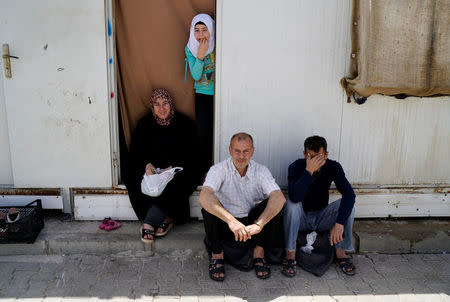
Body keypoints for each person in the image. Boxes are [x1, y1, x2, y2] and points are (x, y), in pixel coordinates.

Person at [199, 132, 286, 281]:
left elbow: (279, 198)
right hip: (227, 224)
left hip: (251, 225)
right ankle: (217, 255)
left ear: (252, 151)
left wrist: (259, 224)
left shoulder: (261, 170)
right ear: (230, 150)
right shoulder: (218, 169)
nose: (241, 156)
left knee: (275, 205)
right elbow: (204, 196)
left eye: (246, 151)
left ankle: (259, 253)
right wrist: (231, 221)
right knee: (208, 208)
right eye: (237, 151)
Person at [125, 88, 201, 243]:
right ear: (152, 107)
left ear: (171, 104)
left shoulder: (184, 123)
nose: (161, 108)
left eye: (165, 103)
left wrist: (172, 167)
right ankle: (165, 216)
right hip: (152, 169)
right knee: (129, 173)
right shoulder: (144, 124)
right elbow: (136, 152)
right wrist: (147, 165)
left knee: (185, 176)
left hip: (177, 169)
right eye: (157, 104)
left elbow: (193, 154)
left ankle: (152, 220)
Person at [282, 135, 356, 277]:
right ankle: (290, 254)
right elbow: (295, 196)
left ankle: (341, 253)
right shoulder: (296, 166)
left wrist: (339, 222)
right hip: (301, 218)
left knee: (348, 206)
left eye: (319, 157)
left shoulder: (333, 167)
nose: (315, 161)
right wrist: (308, 171)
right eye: (311, 157)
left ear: (326, 155)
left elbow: (349, 194)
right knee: (291, 205)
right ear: (304, 154)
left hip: (321, 216)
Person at [185, 13, 215, 171]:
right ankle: (205, 171)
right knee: (204, 134)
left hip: (221, 95)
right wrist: (201, 54)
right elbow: (196, 76)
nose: (201, 35)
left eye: (205, 30)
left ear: (211, 30)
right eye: (197, 30)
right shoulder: (190, 48)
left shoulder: (218, 43)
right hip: (203, 95)